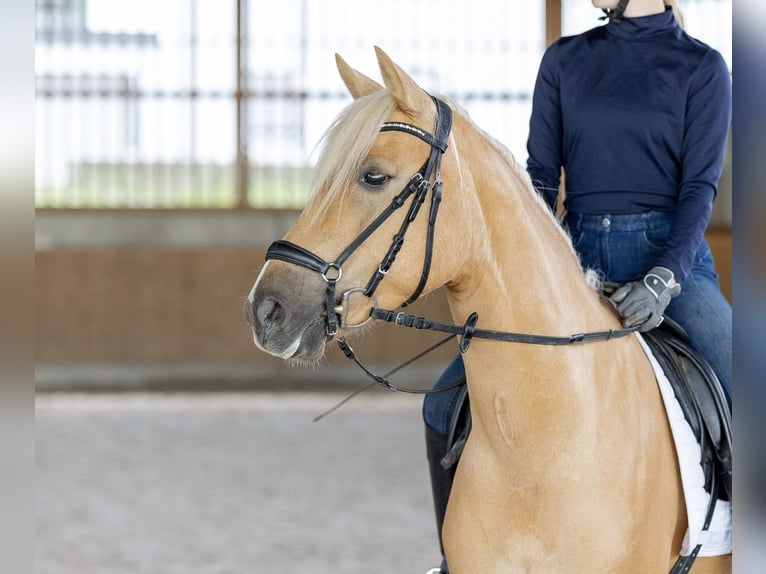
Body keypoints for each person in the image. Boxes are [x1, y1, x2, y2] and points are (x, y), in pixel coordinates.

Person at [422, 1, 732, 572]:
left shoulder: (701, 67)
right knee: (443, 402)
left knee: (743, 383)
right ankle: (454, 556)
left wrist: (662, 280)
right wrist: (526, 271)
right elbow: (538, 179)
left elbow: (699, 192)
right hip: (571, 256)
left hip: (669, 258)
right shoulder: (565, 61)